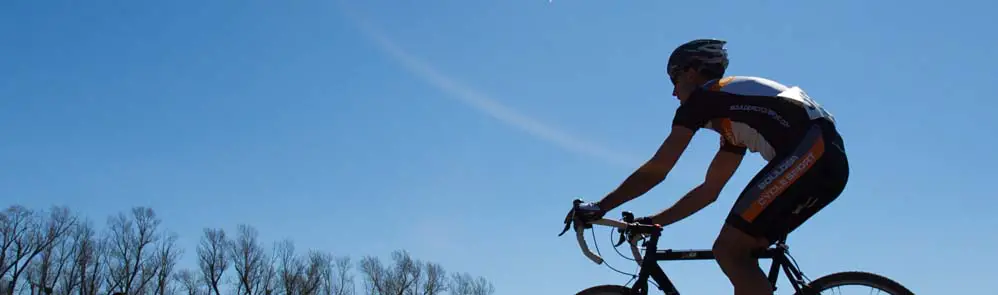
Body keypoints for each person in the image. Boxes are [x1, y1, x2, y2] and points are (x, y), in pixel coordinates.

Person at [569, 38, 849, 295]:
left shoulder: (704, 99)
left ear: (691, 72)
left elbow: (659, 169)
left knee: (727, 248)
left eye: (674, 79)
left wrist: (601, 206)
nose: (673, 92)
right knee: (739, 251)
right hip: (827, 161)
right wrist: (654, 222)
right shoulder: (733, 113)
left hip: (811, 153)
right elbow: (709, 190)